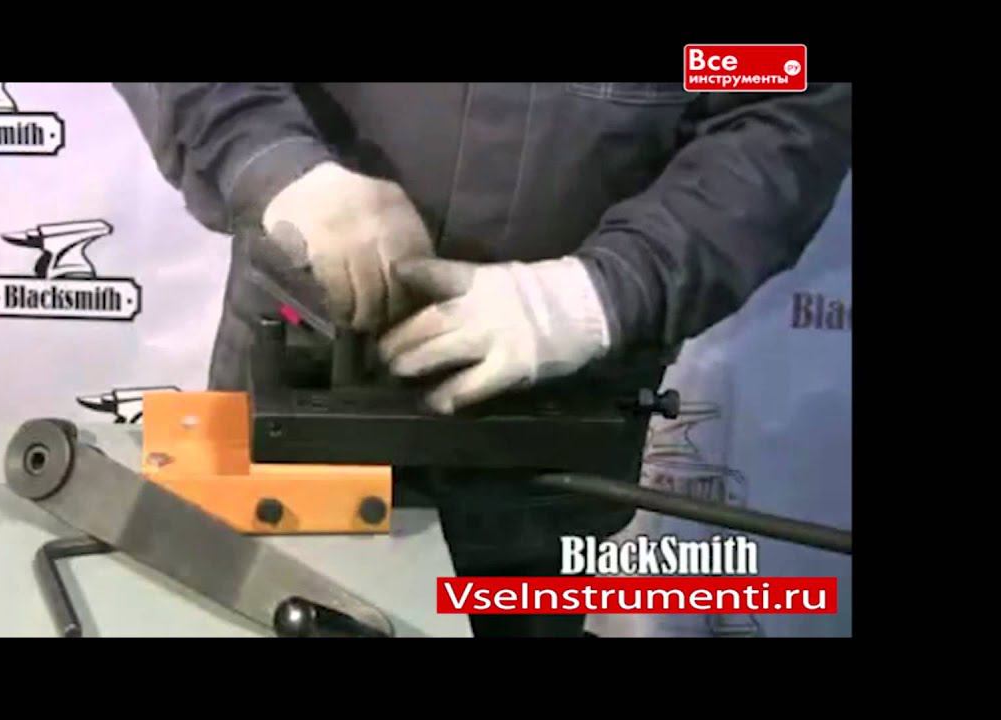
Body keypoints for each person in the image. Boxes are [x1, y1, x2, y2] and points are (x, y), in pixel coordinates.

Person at [113, 82, 852, 637]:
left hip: (548, 412)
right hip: (301, 384)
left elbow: (779, 103)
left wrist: (600, 294)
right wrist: (273, 162)